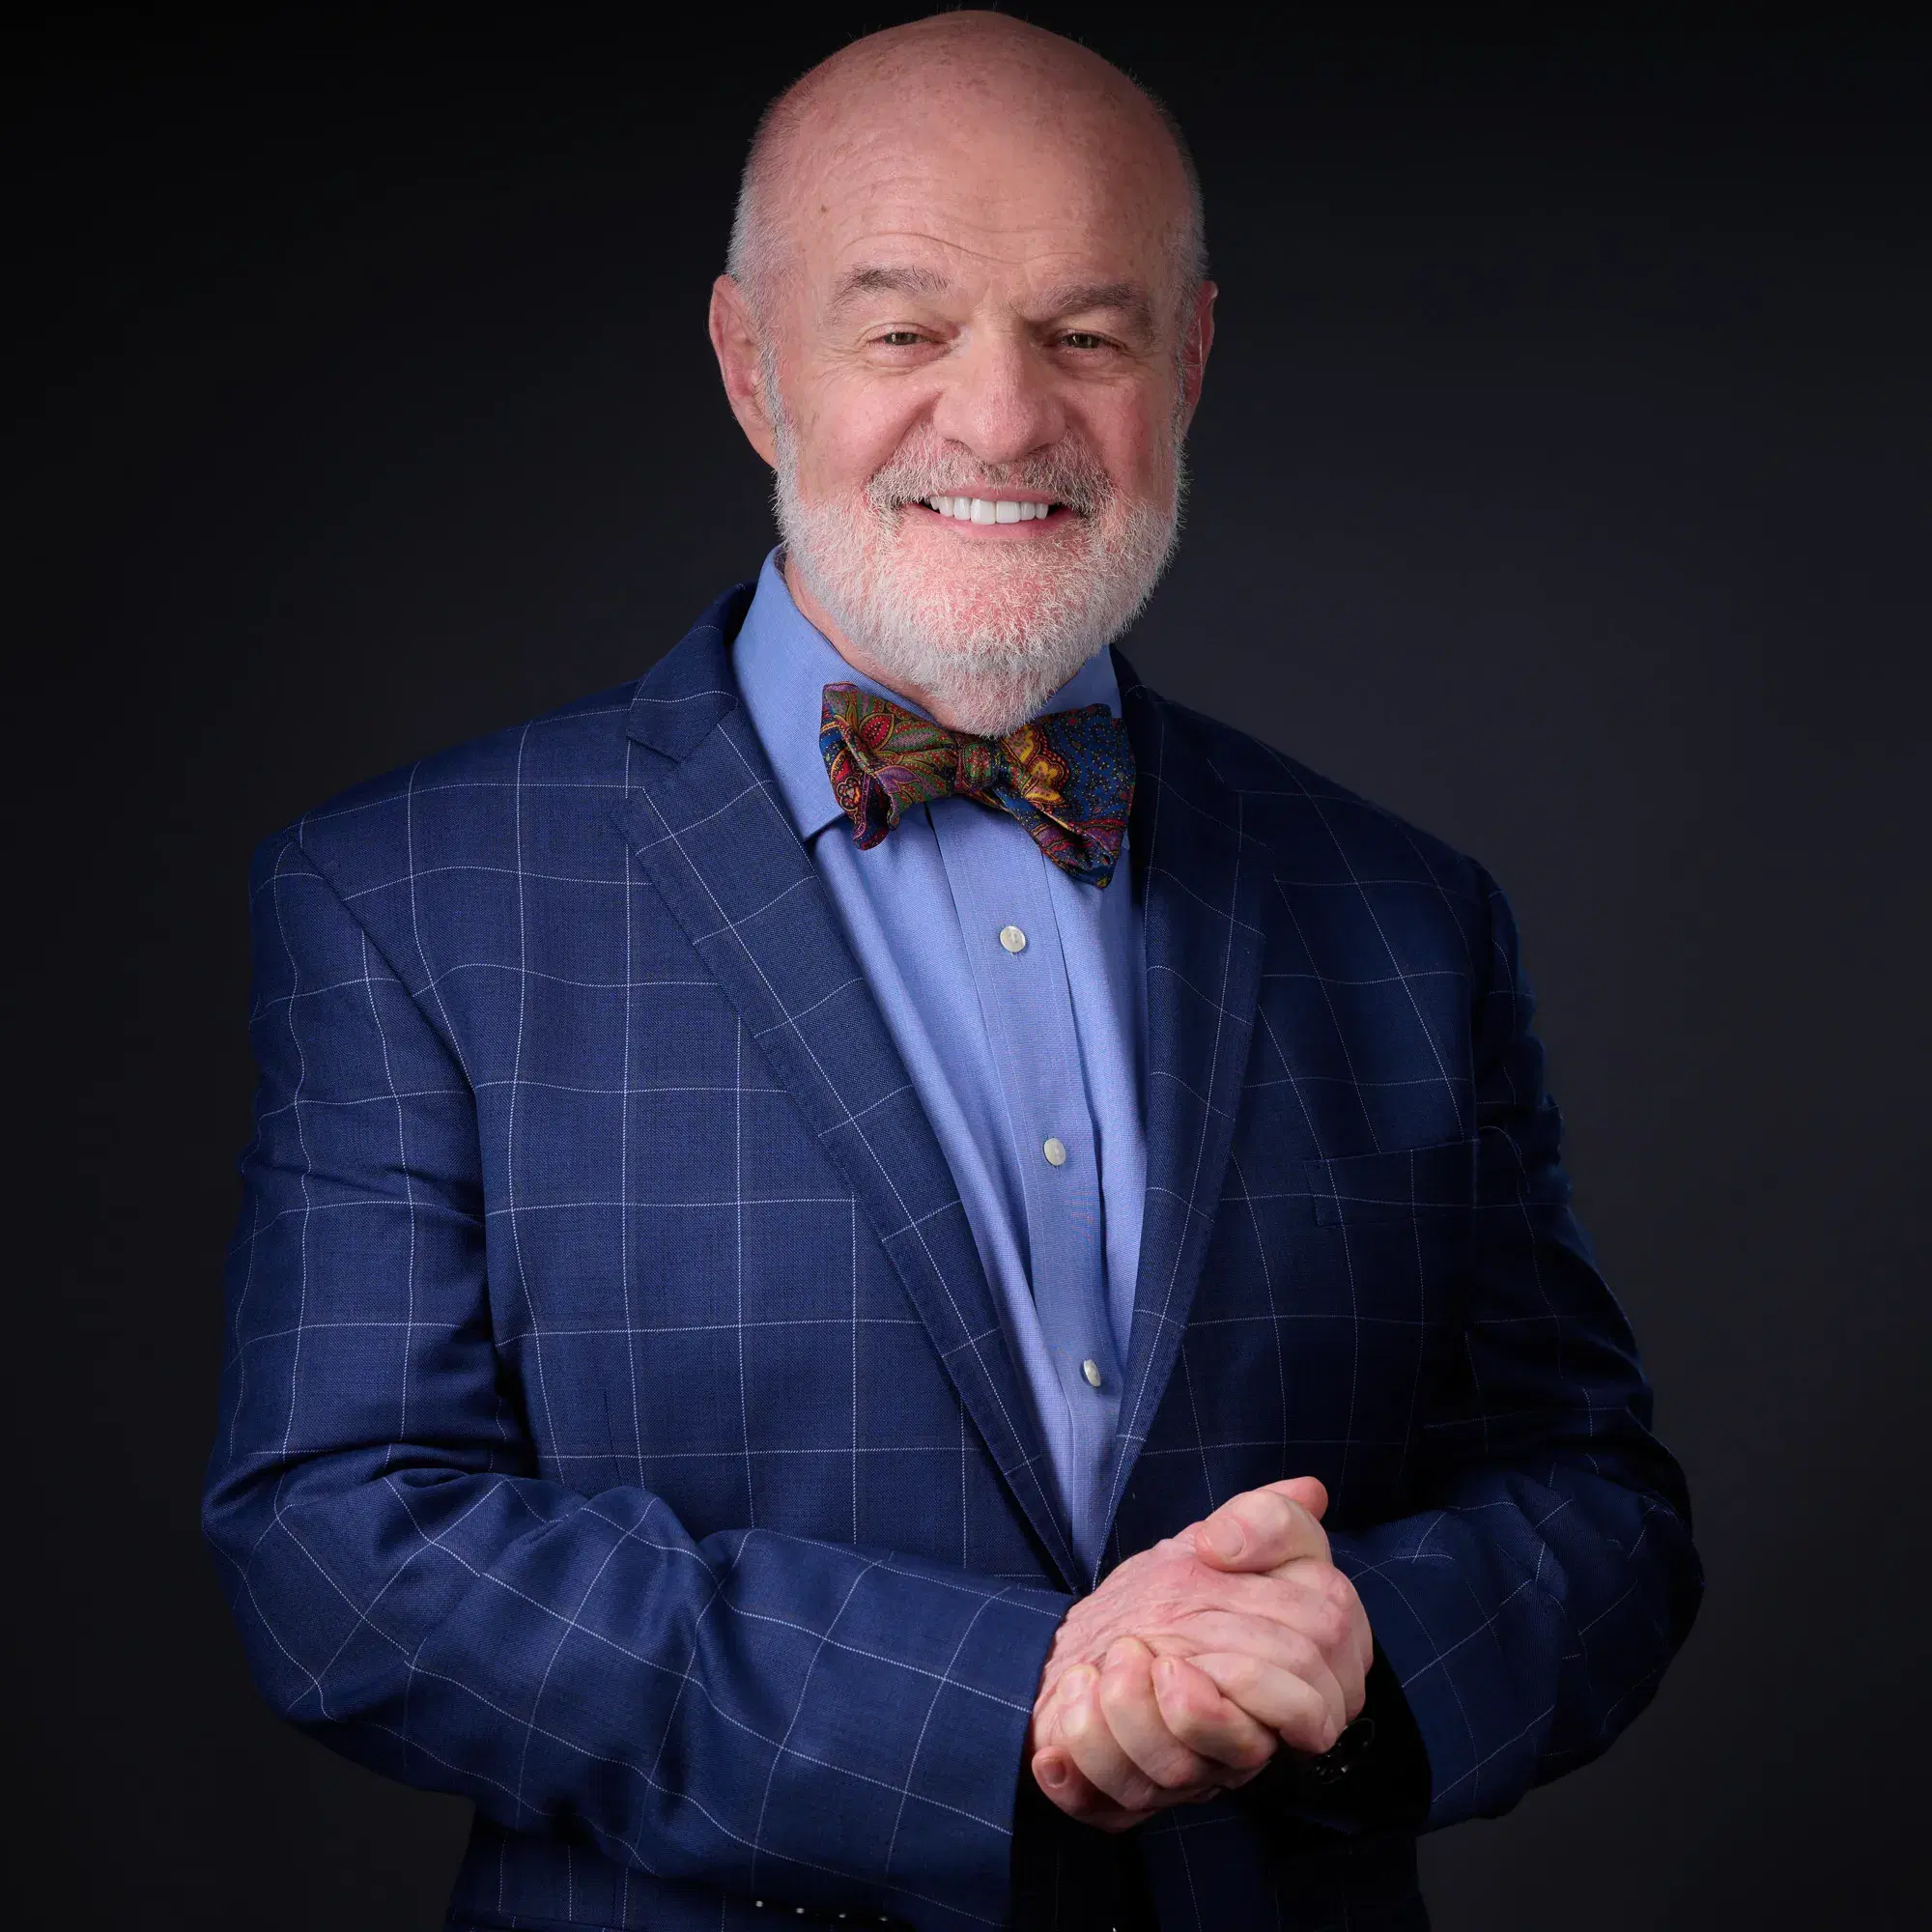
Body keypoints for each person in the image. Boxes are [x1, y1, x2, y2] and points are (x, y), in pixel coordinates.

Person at [202, 14, 1701, 1929]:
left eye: (1086, 335)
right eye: (906, 331)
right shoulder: (407, 893)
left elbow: (1593, 1506)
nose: (999, 421)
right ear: (753, 365)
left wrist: (1360, 1651)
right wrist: (1003, 1702)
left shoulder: (1404, 911)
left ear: (1190, 362)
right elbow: (345, 1547)